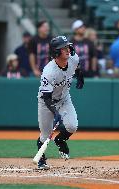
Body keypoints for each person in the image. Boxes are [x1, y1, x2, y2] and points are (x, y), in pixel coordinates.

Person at [36, 36, 84, 170]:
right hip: (47, 103)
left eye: (67, 47)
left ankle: (60, 140)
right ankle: (41, 159)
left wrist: (80, 76)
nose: (67, 50)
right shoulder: (49, 72)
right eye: (63, 48)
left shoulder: (73, 58)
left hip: (64, 99)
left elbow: (77, 66)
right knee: (45, 135)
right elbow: (46, 97)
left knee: (72, 126)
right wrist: (55, 113)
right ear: (56, 53)